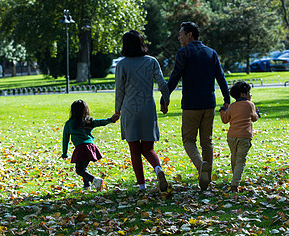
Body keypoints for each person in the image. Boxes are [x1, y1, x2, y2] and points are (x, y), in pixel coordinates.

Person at [161, 21, 230, 191]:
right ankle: (207, 179)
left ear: (189, 34)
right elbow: (221, 77)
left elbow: (175, 77)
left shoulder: (184, 53)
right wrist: (226, 99)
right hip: (209, 104)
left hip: (191, 104)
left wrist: (165, 99)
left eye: (181, 34)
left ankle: (201, 168)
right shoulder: (211, 52)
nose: (179, 37)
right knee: (207, 141)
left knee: (188, 140)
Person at [115, 30, 170, 192]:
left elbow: (120, 90)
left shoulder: (122, 65)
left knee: (135, 151)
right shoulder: (151, 62)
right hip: (148, 109)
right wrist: (165, 101)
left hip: (129, 109)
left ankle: (142, 185)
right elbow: (162, 84)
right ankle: (158, 169)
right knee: (148, 148)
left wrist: (117, 111)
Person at [61, 99, 119, 191]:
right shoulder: (88, 121)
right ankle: (87, 186)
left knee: (79, 170)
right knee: (84, 168)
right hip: (91, 147)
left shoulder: (69, 124)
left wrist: (65, 153)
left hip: (81, 148)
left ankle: (94, 180)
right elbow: (100, 122)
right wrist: (111, 120)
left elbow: (65, 139)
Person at [219, 81, 260, 193]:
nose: (250, 95)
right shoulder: (250, 105)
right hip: (244, 136)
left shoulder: (232, 106)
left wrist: (223, 110)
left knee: (234, 157)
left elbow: (225, 119)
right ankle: (234, 185)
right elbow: (254, 118)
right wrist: (257, 113)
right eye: (249, 92)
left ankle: (234, 179)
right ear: (243, 94)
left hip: (231, 136)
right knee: (240, 161)